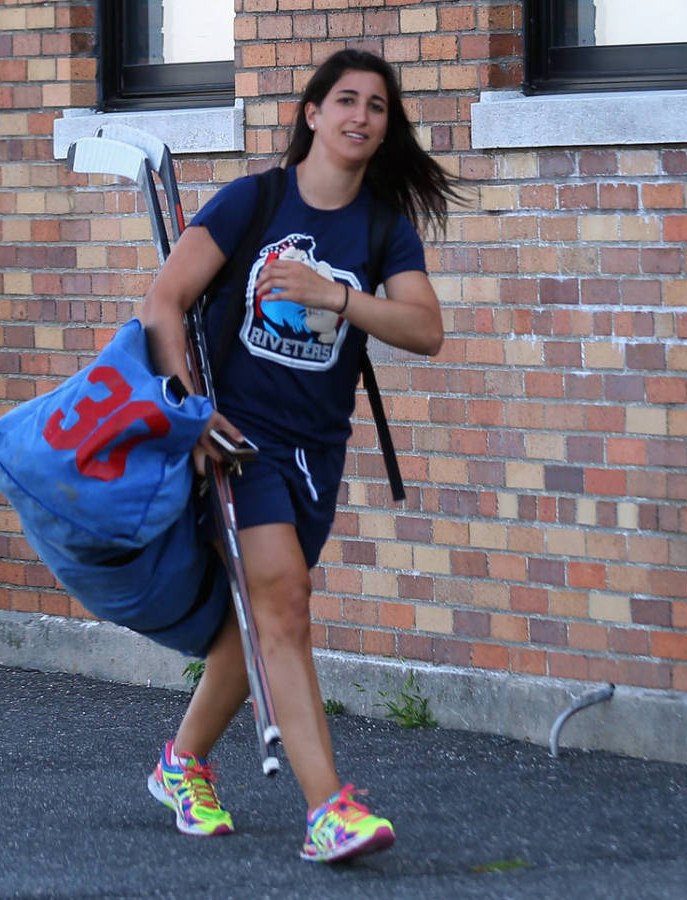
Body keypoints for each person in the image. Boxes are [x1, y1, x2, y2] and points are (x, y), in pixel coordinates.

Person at [137, 48, 460, 862]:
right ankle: (330, 811)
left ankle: (181, 762)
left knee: (261, 625)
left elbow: (426, 330)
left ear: (387, 129)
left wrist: (336, 296)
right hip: (236, 440)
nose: (361, 116)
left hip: (318, 451)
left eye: (377, 106)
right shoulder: (257, 200)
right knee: (281, 606)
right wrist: (191, 413)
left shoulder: (383, 228)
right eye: (345, 100)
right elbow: (165, 302)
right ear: (312, 114)